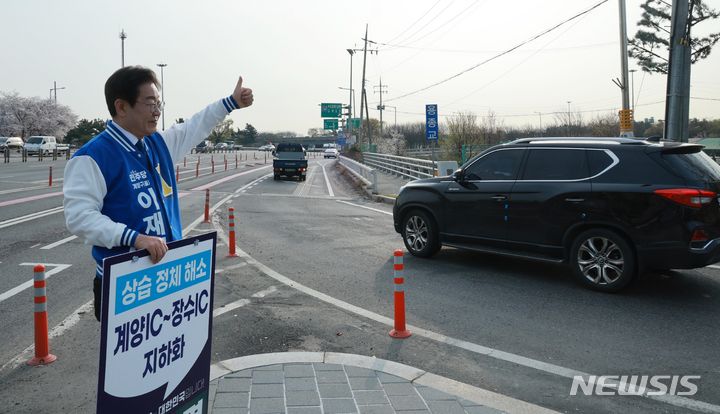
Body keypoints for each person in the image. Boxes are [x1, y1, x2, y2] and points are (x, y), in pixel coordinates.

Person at [63, 66, 253, 321]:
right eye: (150, 103)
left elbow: (195, 126)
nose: (157, 111)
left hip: (167, 274)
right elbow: (80, 217)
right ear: (121, 107)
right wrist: (135, 238)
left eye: (159, 103)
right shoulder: (93, 157)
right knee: (127, 357)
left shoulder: (156, 143)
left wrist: (230, 103)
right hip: (127, 283)